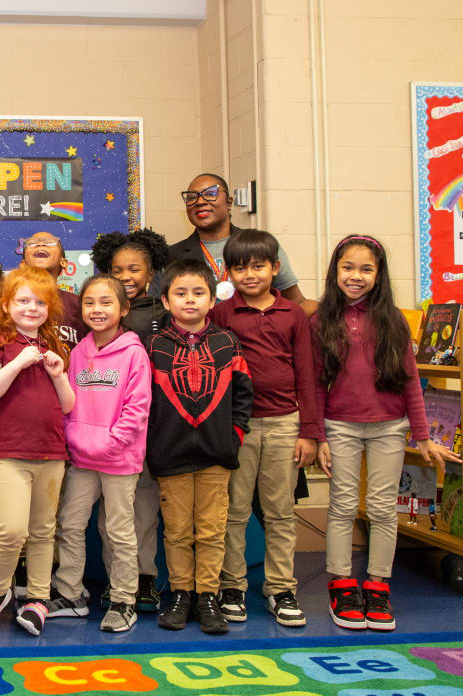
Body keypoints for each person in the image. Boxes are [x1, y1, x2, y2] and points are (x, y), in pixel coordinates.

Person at [312, 234, 460, 631]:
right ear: (335, 271)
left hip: (389, 428)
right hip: (339, 426)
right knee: (342, 505)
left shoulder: (393, 320)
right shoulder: (321, 320)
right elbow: (312, 385)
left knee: (381, 509)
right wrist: (320, 437)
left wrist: (424, 436)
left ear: (378, 275)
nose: (355, 276)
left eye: (366, 269)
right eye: (348, 268)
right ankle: (342, 584)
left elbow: (411, 381)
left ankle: (377, 585)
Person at [210, 229, 321, 627]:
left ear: (275, 268)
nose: (249, 275)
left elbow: (306, 374)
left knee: (279, 512)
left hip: (284, 425)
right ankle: (233, 586)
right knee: (233, 511)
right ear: (229, 273)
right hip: (237, 426)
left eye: (258, 266)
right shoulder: (221, 314)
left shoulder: (293, 315)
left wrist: (309, 431)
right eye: (239, 268)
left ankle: (280, 588)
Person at [146, 259, 252, 635]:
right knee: (176, 531)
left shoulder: (227, 342)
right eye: (180, 293)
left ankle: (208, 594)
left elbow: (243, 396)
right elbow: (145, 401)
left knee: (210, 530)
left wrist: (233, 436)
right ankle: (180, 594)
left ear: (212, 300)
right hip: (170, 455)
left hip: (216, 454)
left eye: (198, 293)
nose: (189, 301)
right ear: (166, 300)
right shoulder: (154, 345)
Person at [0, 266, 74, 638]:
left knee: (44, 531)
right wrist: (17, 363)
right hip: (10, 453)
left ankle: (38, 598)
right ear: (6, 305)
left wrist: (59, 373)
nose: (32, 308)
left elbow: (67, 404)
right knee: (11, 529)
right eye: (23, 300)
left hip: (51, 453)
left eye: (40, 302)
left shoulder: (54, 345)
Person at [51, 275, 151, 633]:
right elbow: (68, 404)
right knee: (71, 524)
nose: (97, 309)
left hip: (119, 460)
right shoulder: (78, 352)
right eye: (90, 302)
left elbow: (137, 410)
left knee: (119, 531)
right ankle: (71, 594)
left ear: (123, 309)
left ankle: (124, 599)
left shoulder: (134, 353)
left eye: (106, 302)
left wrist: (110, 443)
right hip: (81, 458)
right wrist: (74, 439)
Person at [88, 228, 171, 611]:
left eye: (135, 269)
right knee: (113, 516)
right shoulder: (101, 315)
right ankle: (116, 581)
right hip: (113, 431)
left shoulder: (164, 312)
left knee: (144, 510)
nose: (126, 276)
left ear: (151, 272)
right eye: (117, 269)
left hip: (155, 426)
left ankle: (145, 579)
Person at [170, 173, 314, 313]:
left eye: (210, 193)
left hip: (254, 334)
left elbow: (296, 301)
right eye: (191, 197)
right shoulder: (171, 256)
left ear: (229, 202)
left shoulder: (259, 245)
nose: (200, 201)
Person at [21, 231, 89, 348]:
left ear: (63, 262)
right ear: (23, 264)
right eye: (32, 243)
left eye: (50, 242)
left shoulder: (78, 304)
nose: (41, 244)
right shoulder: (14, 303)